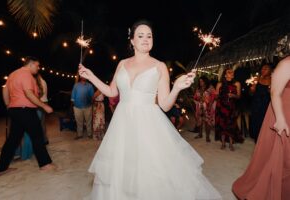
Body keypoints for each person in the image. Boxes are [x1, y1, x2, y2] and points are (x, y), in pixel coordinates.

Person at [79, 20, 222, 200]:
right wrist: (90, 76)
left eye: (149, 36)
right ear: (132, 41)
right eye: (140, 35)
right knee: (122, 171)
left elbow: (164, 105)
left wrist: (177, 87)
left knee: (149, 173)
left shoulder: (159, 66)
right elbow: (111, 91)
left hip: (148, 125)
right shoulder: (122, 64)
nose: (146, 39)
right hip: (122, 125)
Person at [232, 38, 290, 200]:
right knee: (281, 159)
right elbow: (275, 93)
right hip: (283, 114)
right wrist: (280, 119)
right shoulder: (286, 64)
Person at [0, 56, 55, 177]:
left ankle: (1, 169)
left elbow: (5, 90)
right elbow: (29, 94)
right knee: (37, 136)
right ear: (31, 64)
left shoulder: (13, 74)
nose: (38, 68)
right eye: (37, 65)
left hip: (15, 110)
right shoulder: (26, 75)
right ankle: (45, 164)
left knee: (13, 139)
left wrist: (8, 104)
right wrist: (44, 106)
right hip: (26, 110)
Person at [215, 67, 241, 151]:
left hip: (231, 107)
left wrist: (233, 95)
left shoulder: (237, 83)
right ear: (225, 75)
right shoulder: (220, 84)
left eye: (232, 72)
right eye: (229, 72)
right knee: (222, 125)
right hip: (221, 107)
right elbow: (216, 96)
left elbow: (239, 96)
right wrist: (218, 96)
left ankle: (231, 143)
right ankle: (223, 143)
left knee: (231, 125)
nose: (232, 73)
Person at [249, 64, 272, 143]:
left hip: (266, 105)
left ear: (270, 71)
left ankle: (263, 139)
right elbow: (251, 93)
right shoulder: (257, 79)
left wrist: (271, 91)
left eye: (266, 69)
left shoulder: (273, 80)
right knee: (255, 121)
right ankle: (257, 139)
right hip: (256, 104)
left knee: (264, 122)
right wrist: (252, 89)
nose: (263, 70)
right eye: (262, 69)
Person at [193, 76, 216, 142]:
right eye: (200, 81)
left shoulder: (210, 88)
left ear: (205, 81)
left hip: (208, 107)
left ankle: (207, 137)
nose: (200, 83)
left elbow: (215, 96)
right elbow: (195, 97)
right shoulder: (198, 88)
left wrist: (210, 104)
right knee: (200, 121)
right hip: (199, 106)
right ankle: (200, 134)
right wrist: (197, 99)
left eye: (202, 81)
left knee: (207, 122)